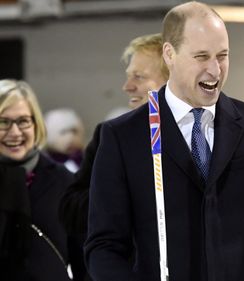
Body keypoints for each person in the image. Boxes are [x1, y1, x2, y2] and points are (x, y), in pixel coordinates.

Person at [84, 2, 244, 280]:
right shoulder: (122, 136)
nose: (215, 70)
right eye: (201, 56)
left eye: (222, 55)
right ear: (170, 54)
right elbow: (104, 247)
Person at [58, 33, 169, 280]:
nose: (127, 86)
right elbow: (70, 209)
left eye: (138, 77)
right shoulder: (110, 136)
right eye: (129, 75)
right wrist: (118, 199)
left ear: (172, 80)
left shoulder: (199, 137)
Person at [0, 79, 82, 280]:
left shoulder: (66, 182)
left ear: (36, 124)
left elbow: (86, 261)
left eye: (23, 121)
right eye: (3, 122)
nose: (15, 132)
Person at [44, 108, 85, 173]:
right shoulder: (43, 164)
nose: (70, 138)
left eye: (74, 131)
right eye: (63, 132)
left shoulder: (87, 160)